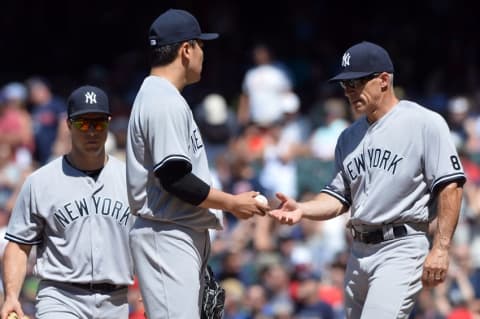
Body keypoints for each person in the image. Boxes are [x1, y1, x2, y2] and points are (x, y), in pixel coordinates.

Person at [268, 41, 466, 319]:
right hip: (358, 251)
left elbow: (451, 187)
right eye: (345, 85)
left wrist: (441, 248)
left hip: (401, 245)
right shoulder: (348, 137)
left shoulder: (423, 122)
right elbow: (338, 198)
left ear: (384, 80)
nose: (349, 91)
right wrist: (303, 209)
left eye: (356, 83)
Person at [125, 8, 268, 319]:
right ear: (186, 50)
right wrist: (232, 202)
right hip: (166, 235)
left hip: (175, 232)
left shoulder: (162, 96)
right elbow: (175, 177)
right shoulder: (162, 99)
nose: (204, 53)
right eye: (201, 45)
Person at [0, 85, 135, 319]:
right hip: (61, 297)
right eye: (83, 123)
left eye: (98, 122)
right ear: (69, 125)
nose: (91, 131)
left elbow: (149, 240)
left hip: (116, 301)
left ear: (109, 123)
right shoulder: (40, 181)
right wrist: (11, 295)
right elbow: (19, 244)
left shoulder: (131, 180)